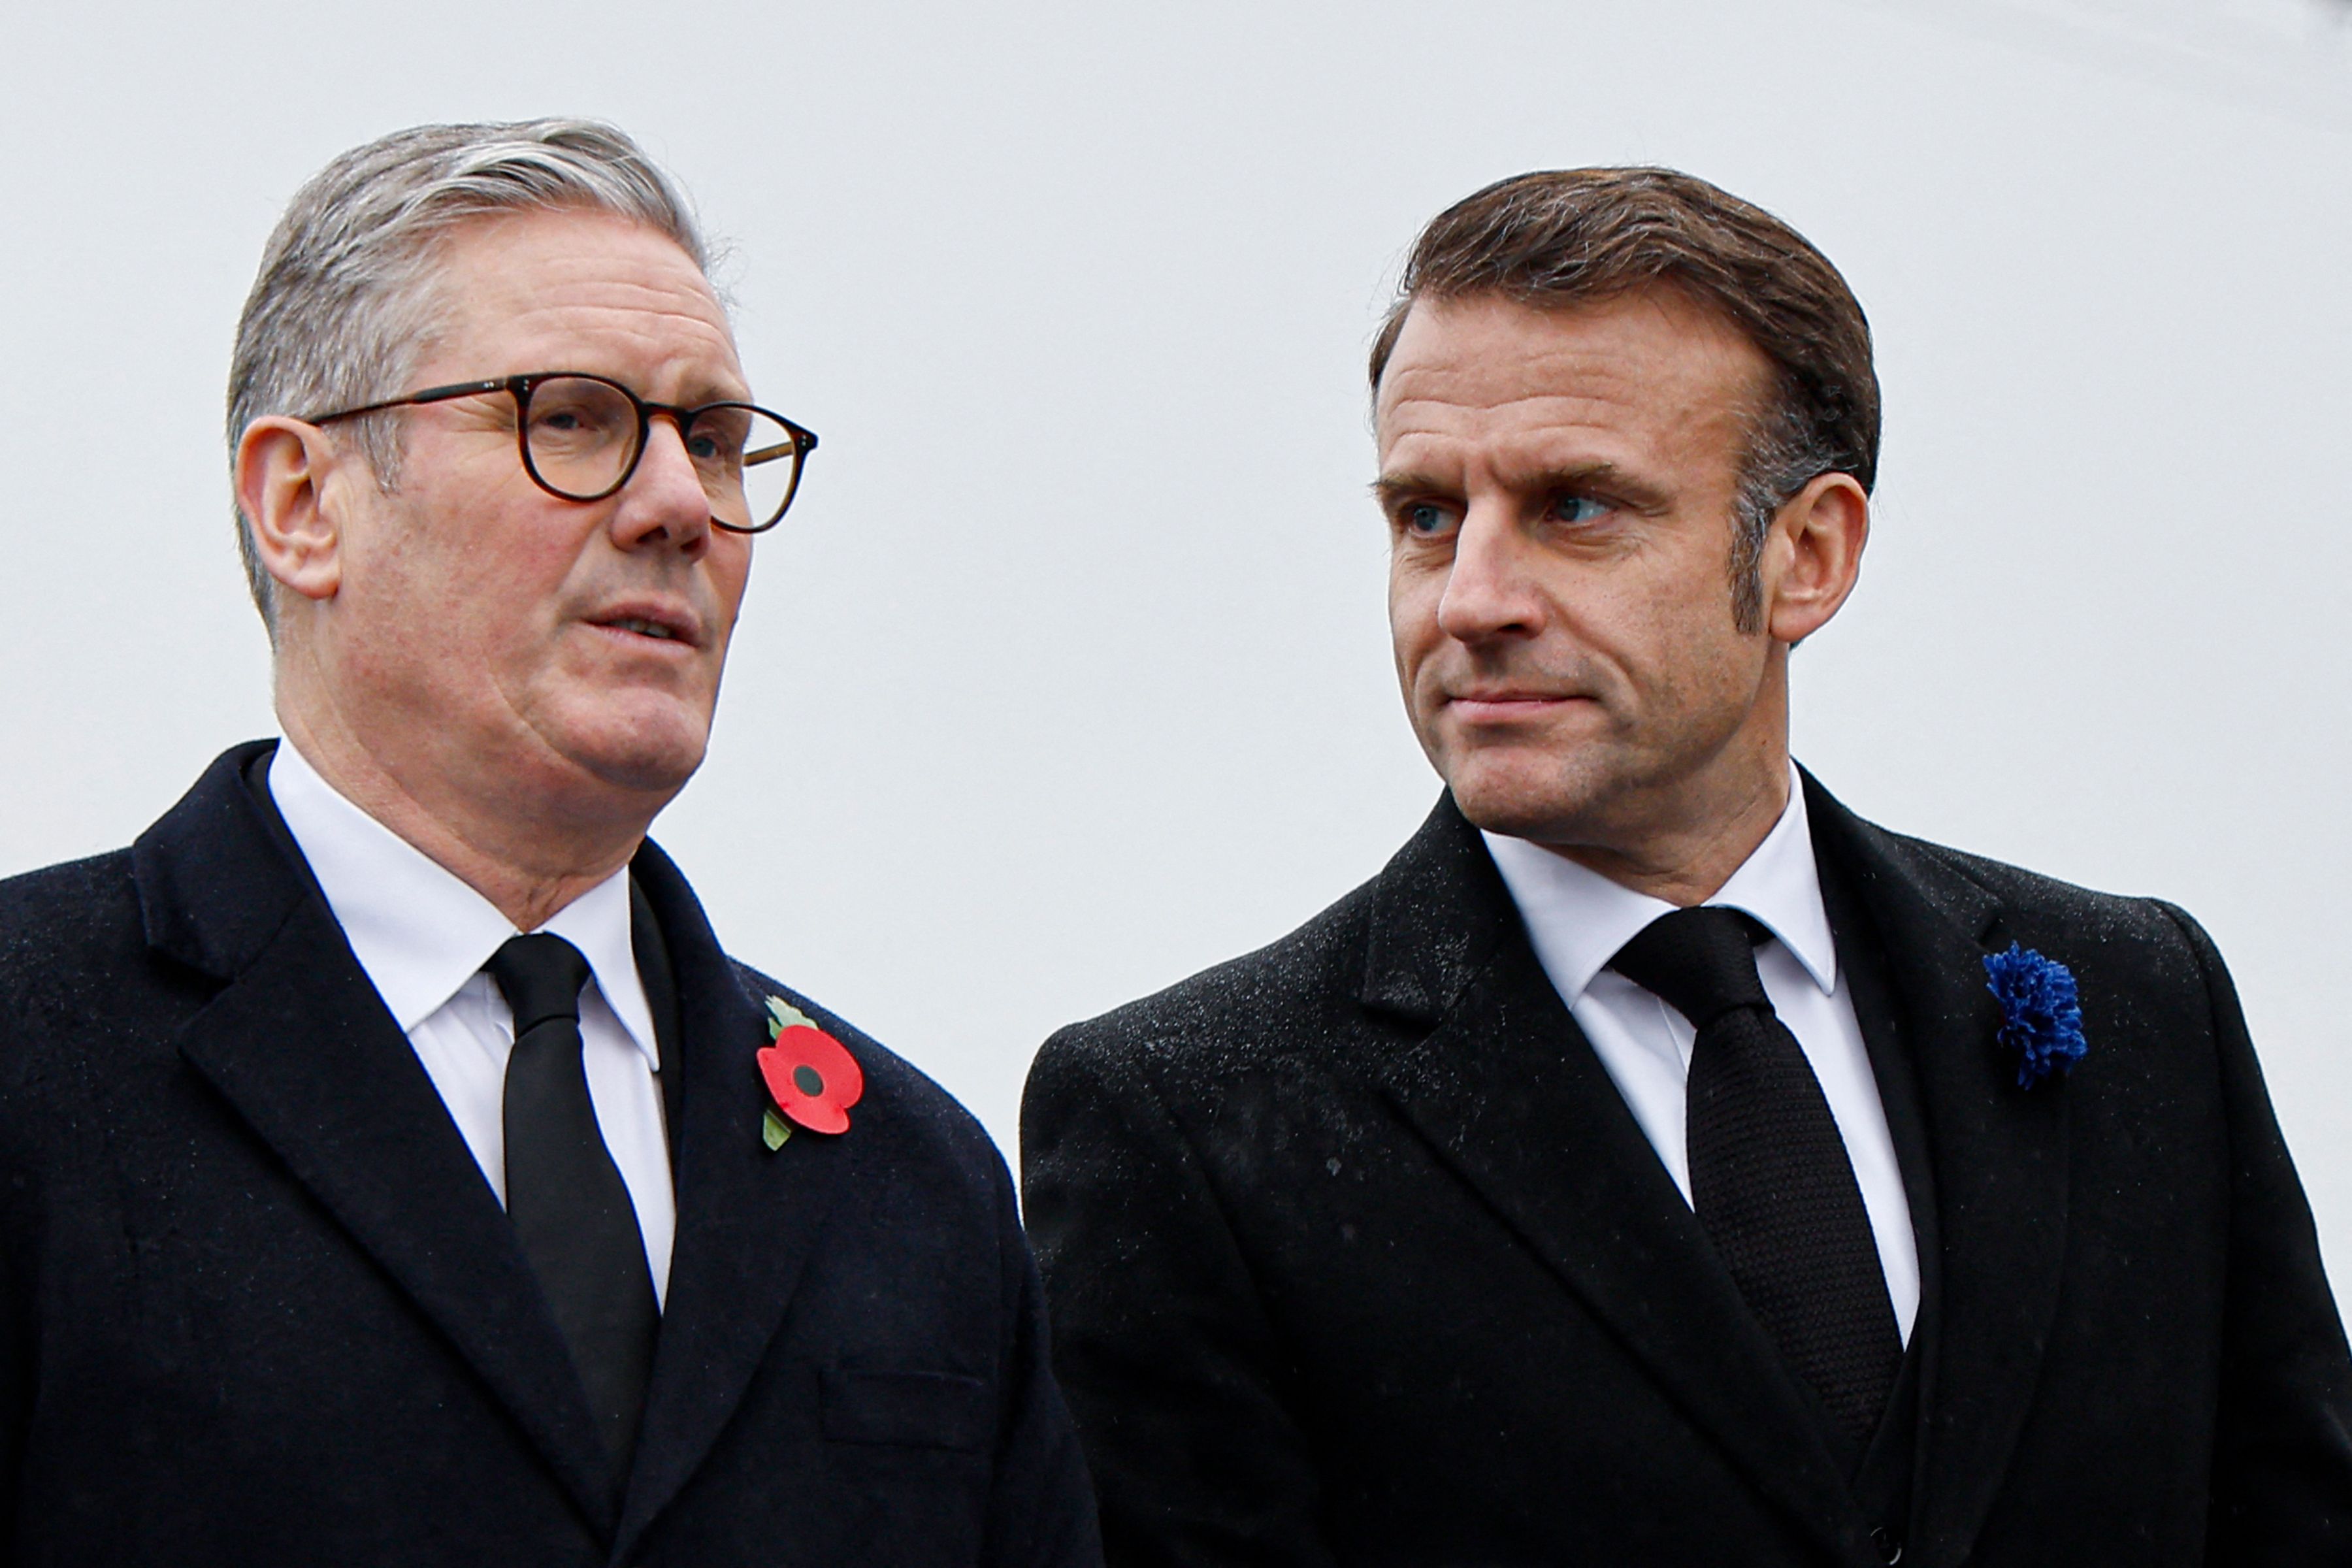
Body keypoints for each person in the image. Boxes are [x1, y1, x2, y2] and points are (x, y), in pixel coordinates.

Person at [1021, 167, 2352, 1565]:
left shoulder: (2142, 1006)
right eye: (1425, 515)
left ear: (1808, 554)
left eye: (1576, 506)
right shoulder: (1187, 1123)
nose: (1471, 599)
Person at [0, 119, 1097, 1567]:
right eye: (570, 419)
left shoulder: (913, 1179)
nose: (679, 507)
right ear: (303, 504)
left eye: (714, 441)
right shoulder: (34, 1048)